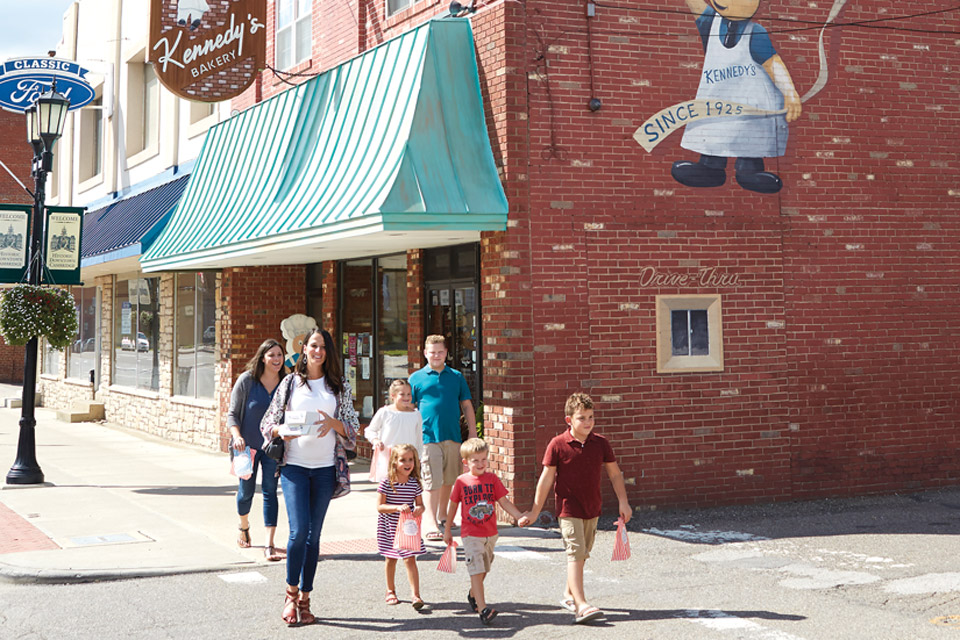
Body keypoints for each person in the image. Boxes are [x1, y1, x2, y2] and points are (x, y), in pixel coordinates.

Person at [261, 328, 358, 626]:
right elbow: (268, 424)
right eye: (313, 346)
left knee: (314, 537)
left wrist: (334, 423)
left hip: (326, 470)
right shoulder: (290, 383)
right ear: (304, 349)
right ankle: (290, 594)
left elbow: (353, 429)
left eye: (323, 347)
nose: (318, 351)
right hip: (295, 467)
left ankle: (305, 598)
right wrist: (281, 431)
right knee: (298, 532)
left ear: (328, 353)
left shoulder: (338, 386)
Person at [519, 393, 632, 625]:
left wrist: (623, 501)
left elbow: (614, 473)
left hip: (592, 508)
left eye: (591, 417)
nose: (588, 422)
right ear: (569, 420)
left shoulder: (600, 443)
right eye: (582, 418)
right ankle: (581, 605)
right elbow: (546, 480)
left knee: (583, 554)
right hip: (568, 510)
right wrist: (534, 512)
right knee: (575, 552)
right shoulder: (557, 444)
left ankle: (569, 595)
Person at [670, 0, 802, 194]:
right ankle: (710, 167)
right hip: (718, 99)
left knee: (749, 139)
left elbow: (773, 63)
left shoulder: (756, 33)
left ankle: (749, 172)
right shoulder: (711, 24)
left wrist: (790, 94)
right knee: (714, 133)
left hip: (751, 104)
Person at [443, 438, 525, 625]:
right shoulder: (461, 481)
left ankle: (473, 595)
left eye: (483, 459)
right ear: (466, 462)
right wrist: (447, 529)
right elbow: (453, 505)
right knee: (476, 569)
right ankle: (483, 609)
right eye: (475, 460)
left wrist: (518, 516)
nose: (480, 464)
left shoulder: (492, 479)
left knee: (484, 569)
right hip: (470, 534)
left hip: (490, 534)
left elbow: (504, 501)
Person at [410, 335, 476, 541]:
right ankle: (430, 523)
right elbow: (409, 408)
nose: (436, 356)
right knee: (431, 480)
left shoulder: (456, 376)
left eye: (440, 352)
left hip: (453, 435)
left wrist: (472, 433)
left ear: (446, 353)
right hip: (427, 436)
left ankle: (443, 515)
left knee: (449, 478)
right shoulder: (416, 378)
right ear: (425, 353)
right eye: (432, 352)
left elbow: (466, 405)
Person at [227, 338, 287, 561]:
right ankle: (244, 526)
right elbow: (232, 414)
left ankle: (269, 544)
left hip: (273, 448)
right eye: (272, 355)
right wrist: (237, 437)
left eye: (279, 355)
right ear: (263, 357)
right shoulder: (247, 381)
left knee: (271, 492)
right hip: (246, 447)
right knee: (246, 492)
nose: (276, 359)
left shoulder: (286, 383)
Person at [376, 443, 427, 610]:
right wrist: (397, 507)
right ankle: (390, 590)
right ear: (394, 462)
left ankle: (416, 595)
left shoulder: (414, 484)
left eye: (411, 459)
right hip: (389, 526)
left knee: (410, 558)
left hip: (407, 528)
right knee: (390, 558)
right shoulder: (386, 483)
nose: (408, 463)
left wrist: (419, 509)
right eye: (403, 460)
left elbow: (420, 505)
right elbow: (380, 506)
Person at [365, 379, 423, 480]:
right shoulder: (385, 412)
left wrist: (419, 457)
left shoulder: (416, 414)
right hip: (389, 457)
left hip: (409, 460)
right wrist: (376, 440)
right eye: (402, 394)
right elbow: (370, 430)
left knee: (407, 489)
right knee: (389, 489)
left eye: (409, 394)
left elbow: (419, 438)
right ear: (393, 395)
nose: (406, 397)